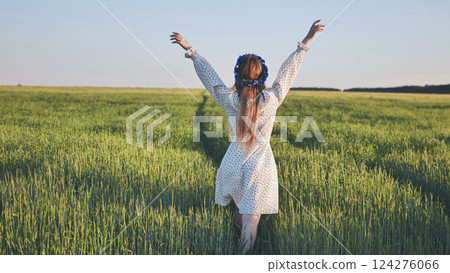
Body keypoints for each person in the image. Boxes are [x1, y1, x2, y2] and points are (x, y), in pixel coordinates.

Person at [170, 20, 325, 254]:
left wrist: (190, 50)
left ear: (238, 75)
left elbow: (211, 79)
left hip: (234, 161)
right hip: (260, 163)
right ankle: (244, 257)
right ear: (262, 76)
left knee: (242, 210)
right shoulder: (271, 99)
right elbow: (287, 74)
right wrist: (305, 41)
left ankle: (234, 246)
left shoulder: (231, 100)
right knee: (252, 216)